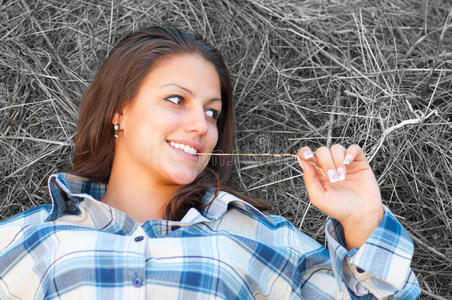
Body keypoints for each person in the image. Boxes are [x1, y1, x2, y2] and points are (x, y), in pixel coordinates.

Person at [0, 27, 420, 299]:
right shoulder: (32, 237)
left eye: (212, 112)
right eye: (176, 100)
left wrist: (362, 219)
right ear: (119, 112)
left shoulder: (258, 236)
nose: (200, 125)